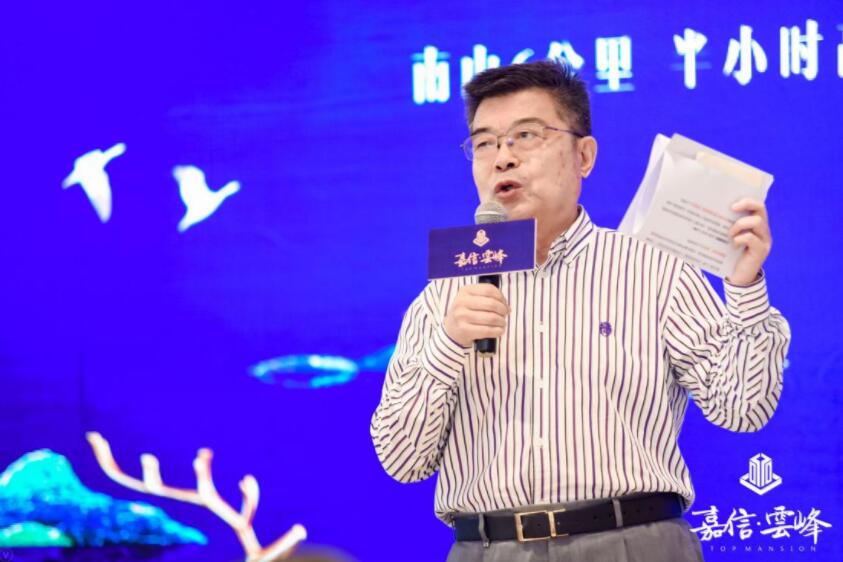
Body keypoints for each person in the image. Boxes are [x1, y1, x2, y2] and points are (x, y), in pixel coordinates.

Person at [370, 60, 790, 562]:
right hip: (490, 548)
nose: (502, 158)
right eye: (484, 143)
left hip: (634, 543)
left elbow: (743, 409)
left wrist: (744, 289)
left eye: (526, 136)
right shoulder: (445, 296)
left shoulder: (653, 268)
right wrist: (448, 345)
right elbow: (402, 460)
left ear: (584, 155)